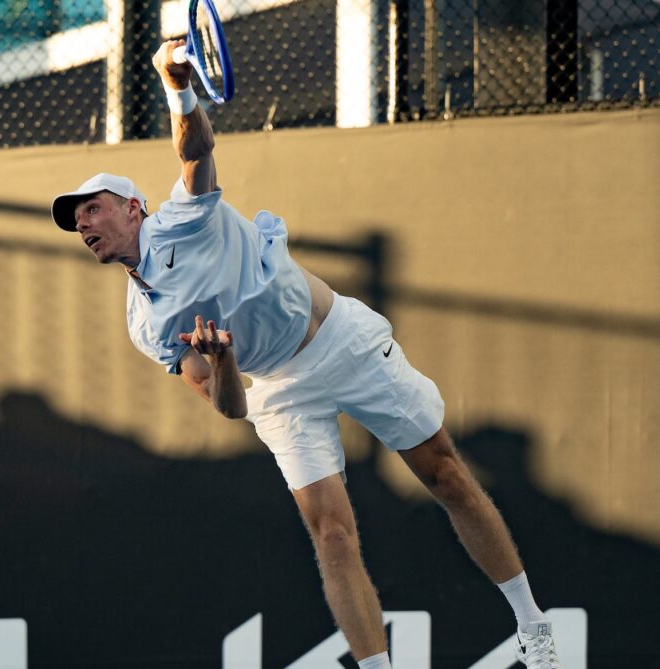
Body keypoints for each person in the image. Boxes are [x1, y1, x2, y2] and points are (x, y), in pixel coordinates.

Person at [49, 39, 562, 669]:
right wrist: (228, 360)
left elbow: (196, 149)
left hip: (339, 341)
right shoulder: (145, 323)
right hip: (275, 389)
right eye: (77, 223)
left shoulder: (182, 219)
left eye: (93, 210)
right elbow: (227, 406)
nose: (85, 227)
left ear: (132, 209)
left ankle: (532, 626)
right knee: (332, 534)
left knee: (445, 473)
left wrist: (175, 82)